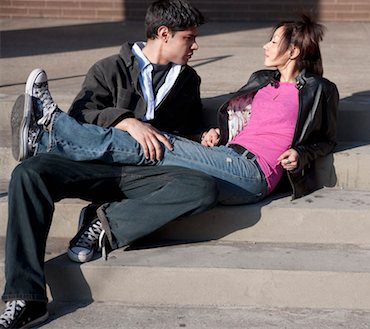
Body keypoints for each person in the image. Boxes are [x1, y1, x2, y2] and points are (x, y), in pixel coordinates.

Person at [13, 11, 339, 260]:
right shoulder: (261, 82)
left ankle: (49, 132)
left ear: (294, 51)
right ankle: (94, 213)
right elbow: (243, 124)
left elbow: (326, 138)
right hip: (227, 159)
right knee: (153, 148)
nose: (265, 45)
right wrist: (212, 136)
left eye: (273, 40)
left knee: (155, 142)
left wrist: (302, 155)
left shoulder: (318, 91)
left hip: (254, 172)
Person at [1, 1, 219, 328]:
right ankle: (26, 296)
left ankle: (103, 221)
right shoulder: (109, 68)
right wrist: (125, 121)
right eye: (189, 38)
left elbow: (181, 134)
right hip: (95, 165)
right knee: (27, 174)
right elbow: (80, 117)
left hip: (147, 174)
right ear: (164, 34)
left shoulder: (188, 80)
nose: (195, 45)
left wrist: (202, 136)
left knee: (202, 186)